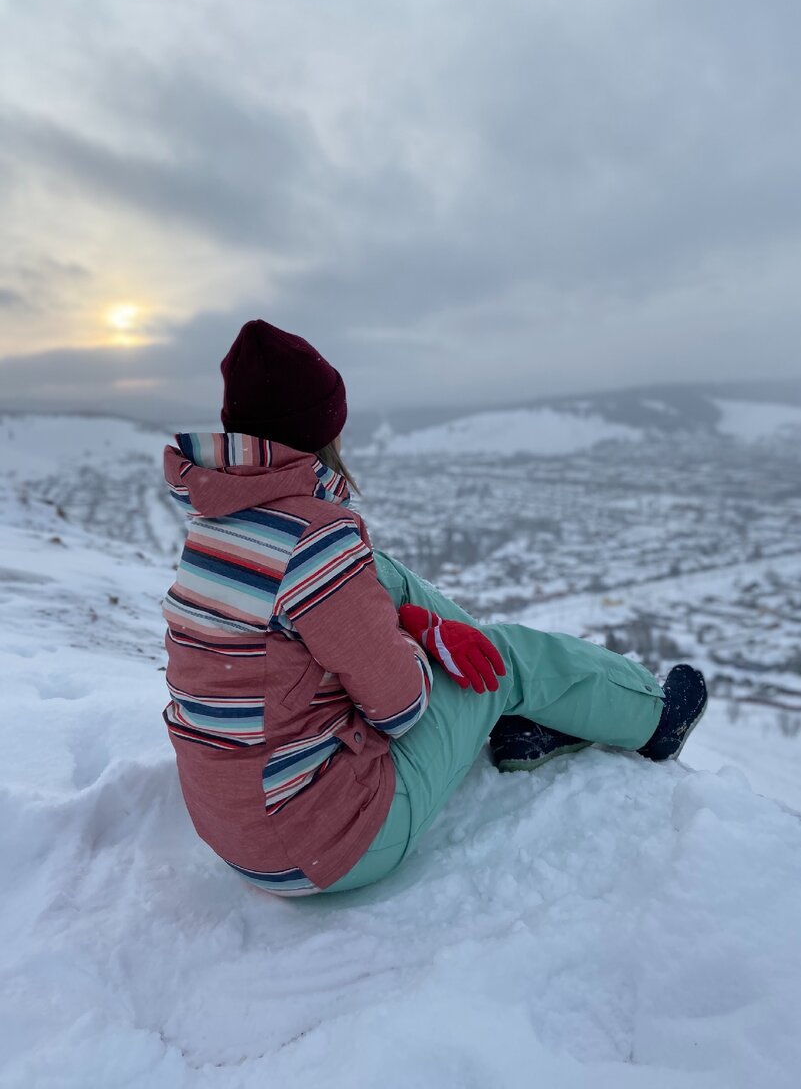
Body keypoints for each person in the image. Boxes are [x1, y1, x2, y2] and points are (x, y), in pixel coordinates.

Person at [162, 320, 708, 896]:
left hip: (238, 828)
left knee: (379, 572)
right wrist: (424, 643)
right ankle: (651, 720)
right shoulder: (315, 542)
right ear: (320, 432)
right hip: (327, 844)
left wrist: (409, 625)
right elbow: (399, 709)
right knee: (505, 658)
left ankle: (511, 708)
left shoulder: (215, 527)